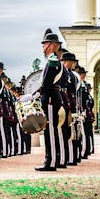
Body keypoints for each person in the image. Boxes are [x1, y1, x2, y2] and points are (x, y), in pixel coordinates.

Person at [33, 28, 65, 171]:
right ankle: (53, 159)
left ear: (52, 45)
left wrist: (36, 94)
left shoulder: (52, 61)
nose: (43, 47)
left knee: (50, 130)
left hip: (51, 98)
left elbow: (46, 83)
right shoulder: (55, 61)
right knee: (51, 130)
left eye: (44, 44)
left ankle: (50, 162)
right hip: (53, 97)